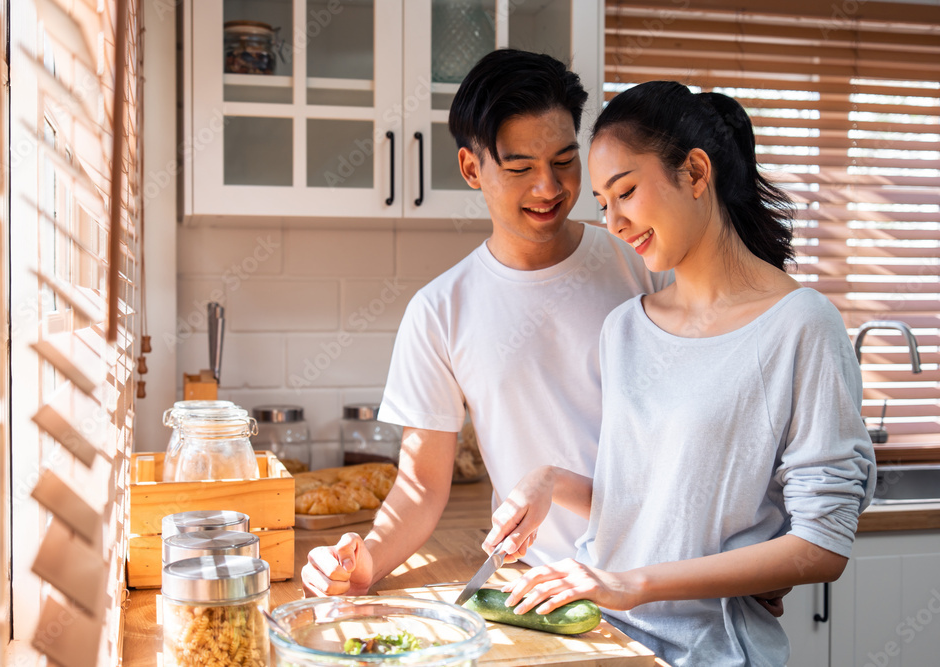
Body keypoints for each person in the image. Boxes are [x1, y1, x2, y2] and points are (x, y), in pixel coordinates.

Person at [485, 81, 876, 666]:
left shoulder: (800, 326)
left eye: (626, 192)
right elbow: (661, 511)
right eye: (602, 204)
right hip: (605, 638)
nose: (613, 221)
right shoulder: (625, 330)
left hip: (711, 651)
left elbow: (822, 546)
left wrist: (630, 584)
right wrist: (551, 482)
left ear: (695, 173)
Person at [301, 50, 672, 597]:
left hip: (667, 570)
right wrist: (366, 563)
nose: (548, 187)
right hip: (543, 586)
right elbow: (422, 485)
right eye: (520, 168)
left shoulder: (640, 257)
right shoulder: (441, 311)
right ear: (472, 169)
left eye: (566, 160)